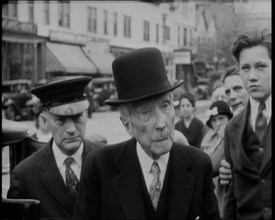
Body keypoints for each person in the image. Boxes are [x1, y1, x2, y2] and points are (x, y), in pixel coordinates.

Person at [73, 47, 220, 220]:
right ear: (127, 124)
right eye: (146, 113)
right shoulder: (100, 167)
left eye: (165, 106)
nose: (161, 123)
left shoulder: (198, 165)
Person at [7, 76, 100, 220]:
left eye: (77, 117)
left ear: (86, 114)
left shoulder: (108, 162)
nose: (71, 129)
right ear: (44, 120)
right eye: (60, 120)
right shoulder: (25, 176)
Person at [223, 29, 271, 220]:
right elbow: (232, 196)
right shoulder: (231, 128)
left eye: (260, 66)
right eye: (245, 68)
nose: (252, 76)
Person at [200, 100, 233, 218]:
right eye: (214, 120)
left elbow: (211, 164)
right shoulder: (208, 138)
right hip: (209, 188)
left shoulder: (230, 136)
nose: (217, 123)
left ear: (229, 118)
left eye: (221, 118)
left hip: (224, 187)